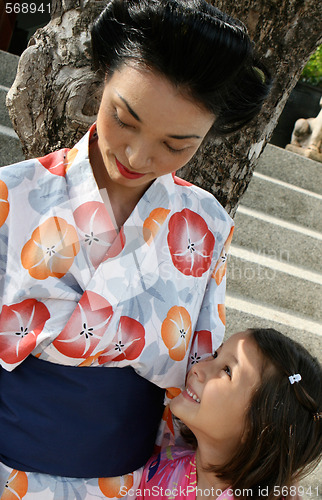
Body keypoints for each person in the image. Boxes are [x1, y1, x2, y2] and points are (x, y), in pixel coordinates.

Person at [0, 1, 271, 499]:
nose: (138, 156)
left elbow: (199, 366)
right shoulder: (10, 197)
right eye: (124, 119)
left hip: (128, 485)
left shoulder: (206, 226)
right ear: (103, 77)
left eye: (176, 145)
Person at [138, 328, 322, 500]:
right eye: (216, 354)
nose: (198, 368)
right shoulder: (161, 469)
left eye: (227, 370)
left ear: (259, 428)